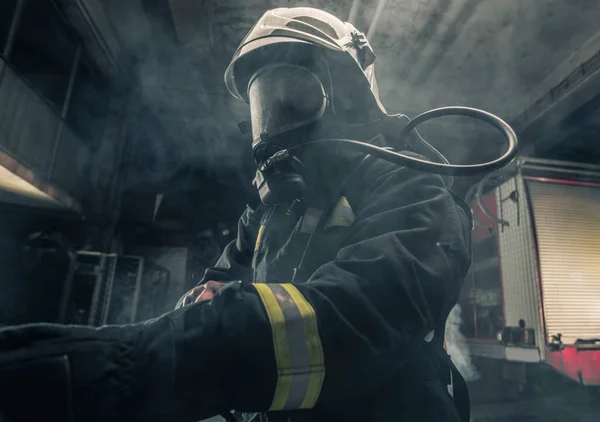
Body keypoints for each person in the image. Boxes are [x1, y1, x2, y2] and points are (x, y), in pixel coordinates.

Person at [0, 7, 472, 422]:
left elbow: (352, 321)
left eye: (293, 98)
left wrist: (133, 365)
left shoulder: (413, 190)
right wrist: (202, 304)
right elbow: (217, 285)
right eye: (265, 105)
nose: (276, 126)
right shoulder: (270, 212)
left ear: (348, 97)